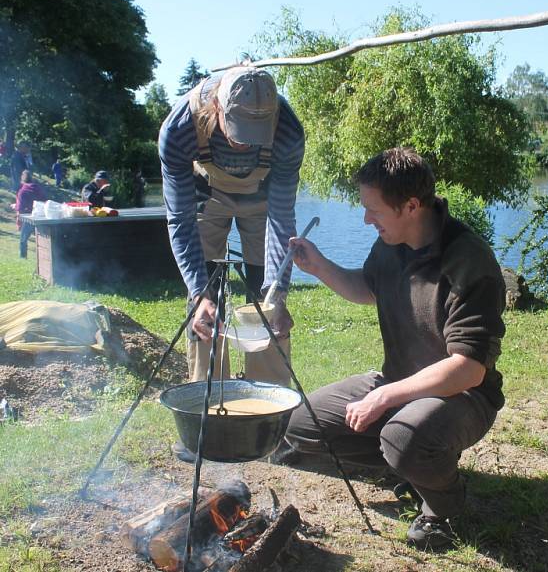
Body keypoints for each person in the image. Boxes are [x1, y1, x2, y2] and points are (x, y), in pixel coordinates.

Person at [283, 147, 506, 550]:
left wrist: (385, 396)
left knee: (404, 439)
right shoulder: (391, 243)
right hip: (399, 383)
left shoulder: (469, 263)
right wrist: (319, 266)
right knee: (302, 425)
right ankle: (407, 465)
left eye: (374, 210)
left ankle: (444, 506)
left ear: (411, 206)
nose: (366, 219)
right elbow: (369, 288)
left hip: (464, 397)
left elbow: (469, 369)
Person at [159, 66, 304, 391]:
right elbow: (180, 219)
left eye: (257, 132)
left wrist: (277, 293)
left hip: (261, 199)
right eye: (239, 130)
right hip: (205, 196)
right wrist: (199, 294)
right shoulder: (180, 128)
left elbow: (281, 216)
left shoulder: (288, 132)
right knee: (205, 297)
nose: (246, 144)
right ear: (217, 109)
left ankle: (270, 404)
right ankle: (206, 399)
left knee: (265, 295)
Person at [15, 170, 46, 258]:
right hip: (41, 216)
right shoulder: (38, 188)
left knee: (23, 239)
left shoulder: (22, 190)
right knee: (44, 239)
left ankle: (23, 256)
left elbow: (20, 208)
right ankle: (44, 257)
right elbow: (45, 200)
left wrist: (18, 219)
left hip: (29, 217)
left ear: (22, 179)